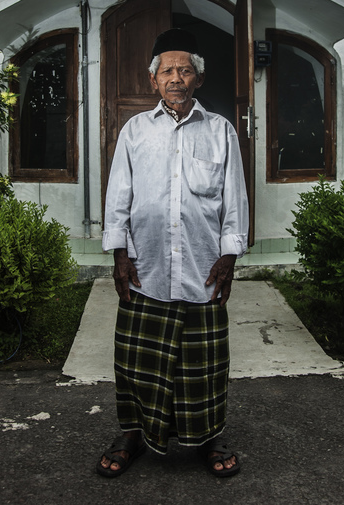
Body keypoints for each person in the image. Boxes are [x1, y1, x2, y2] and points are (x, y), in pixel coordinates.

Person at [96, 28, 248, 479]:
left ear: (198, 79)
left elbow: (235, 198)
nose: (176, 78)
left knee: (203, 367)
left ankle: (207, 436)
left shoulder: (220, 130)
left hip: (202, 267)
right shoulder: (135, 130)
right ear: (153, 81)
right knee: (136, 362)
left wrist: (229, 257)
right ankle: (133, 434)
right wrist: (119, 254)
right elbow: (118, 195)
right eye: (167, 71)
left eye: (185, 70)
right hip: (148, 268)